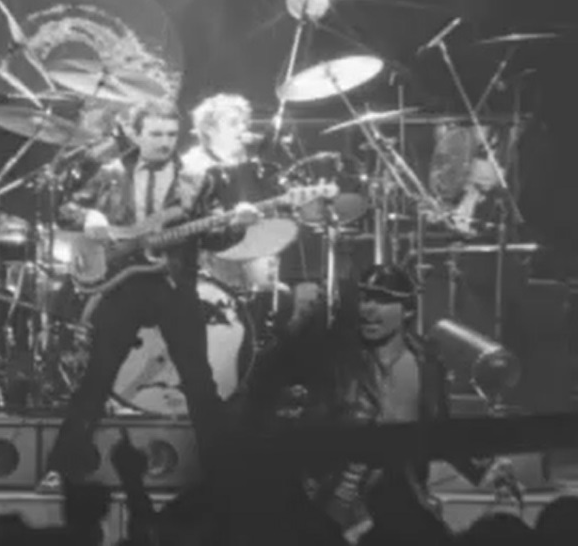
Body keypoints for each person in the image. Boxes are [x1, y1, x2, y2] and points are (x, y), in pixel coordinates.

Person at [38, 99, 259, 492]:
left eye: (171, 134)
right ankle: (62, 466)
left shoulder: (198, 178)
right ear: (136, 134)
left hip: (175, 286)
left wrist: (237, 225)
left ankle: (223, 475)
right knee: (97, 377)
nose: (164, 142)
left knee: (199, 382)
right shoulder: (110, 173)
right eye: (155, 134)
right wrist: (89, 217)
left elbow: (212, 237)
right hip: (122, 285)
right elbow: (66, 210)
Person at [239, 264, 494, 543]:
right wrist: (298, 324)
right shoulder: (335, 357)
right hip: (336, 504)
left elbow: (439, 429)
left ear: (407, 310)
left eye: (382, 300)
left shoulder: (427, 364)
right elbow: (263, 378)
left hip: (403, 499)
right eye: (364, 299)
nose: (368, 309)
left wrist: (482, 469)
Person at [182, 93, 285, 295]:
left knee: (279, 295)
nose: (242, 128)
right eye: (233, 123)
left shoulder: (246, 164)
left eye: (244, 123)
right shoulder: (193, 166)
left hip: (244, 252)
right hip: (208, 259)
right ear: (209, 129)